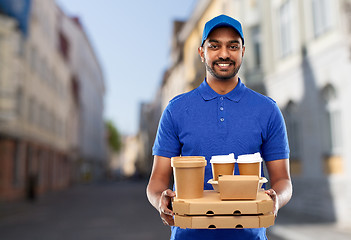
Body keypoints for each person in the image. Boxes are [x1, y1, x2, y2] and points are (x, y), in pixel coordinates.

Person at [146, 14, 292, 240]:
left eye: (233, 46)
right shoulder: (176, 110)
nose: (224, 54)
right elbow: (156, 181)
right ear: (201, 52)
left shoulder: (267, 110)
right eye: (214, 46)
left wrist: (277, 199)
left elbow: (283, 180)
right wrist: (160, 200)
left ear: (243, 51)